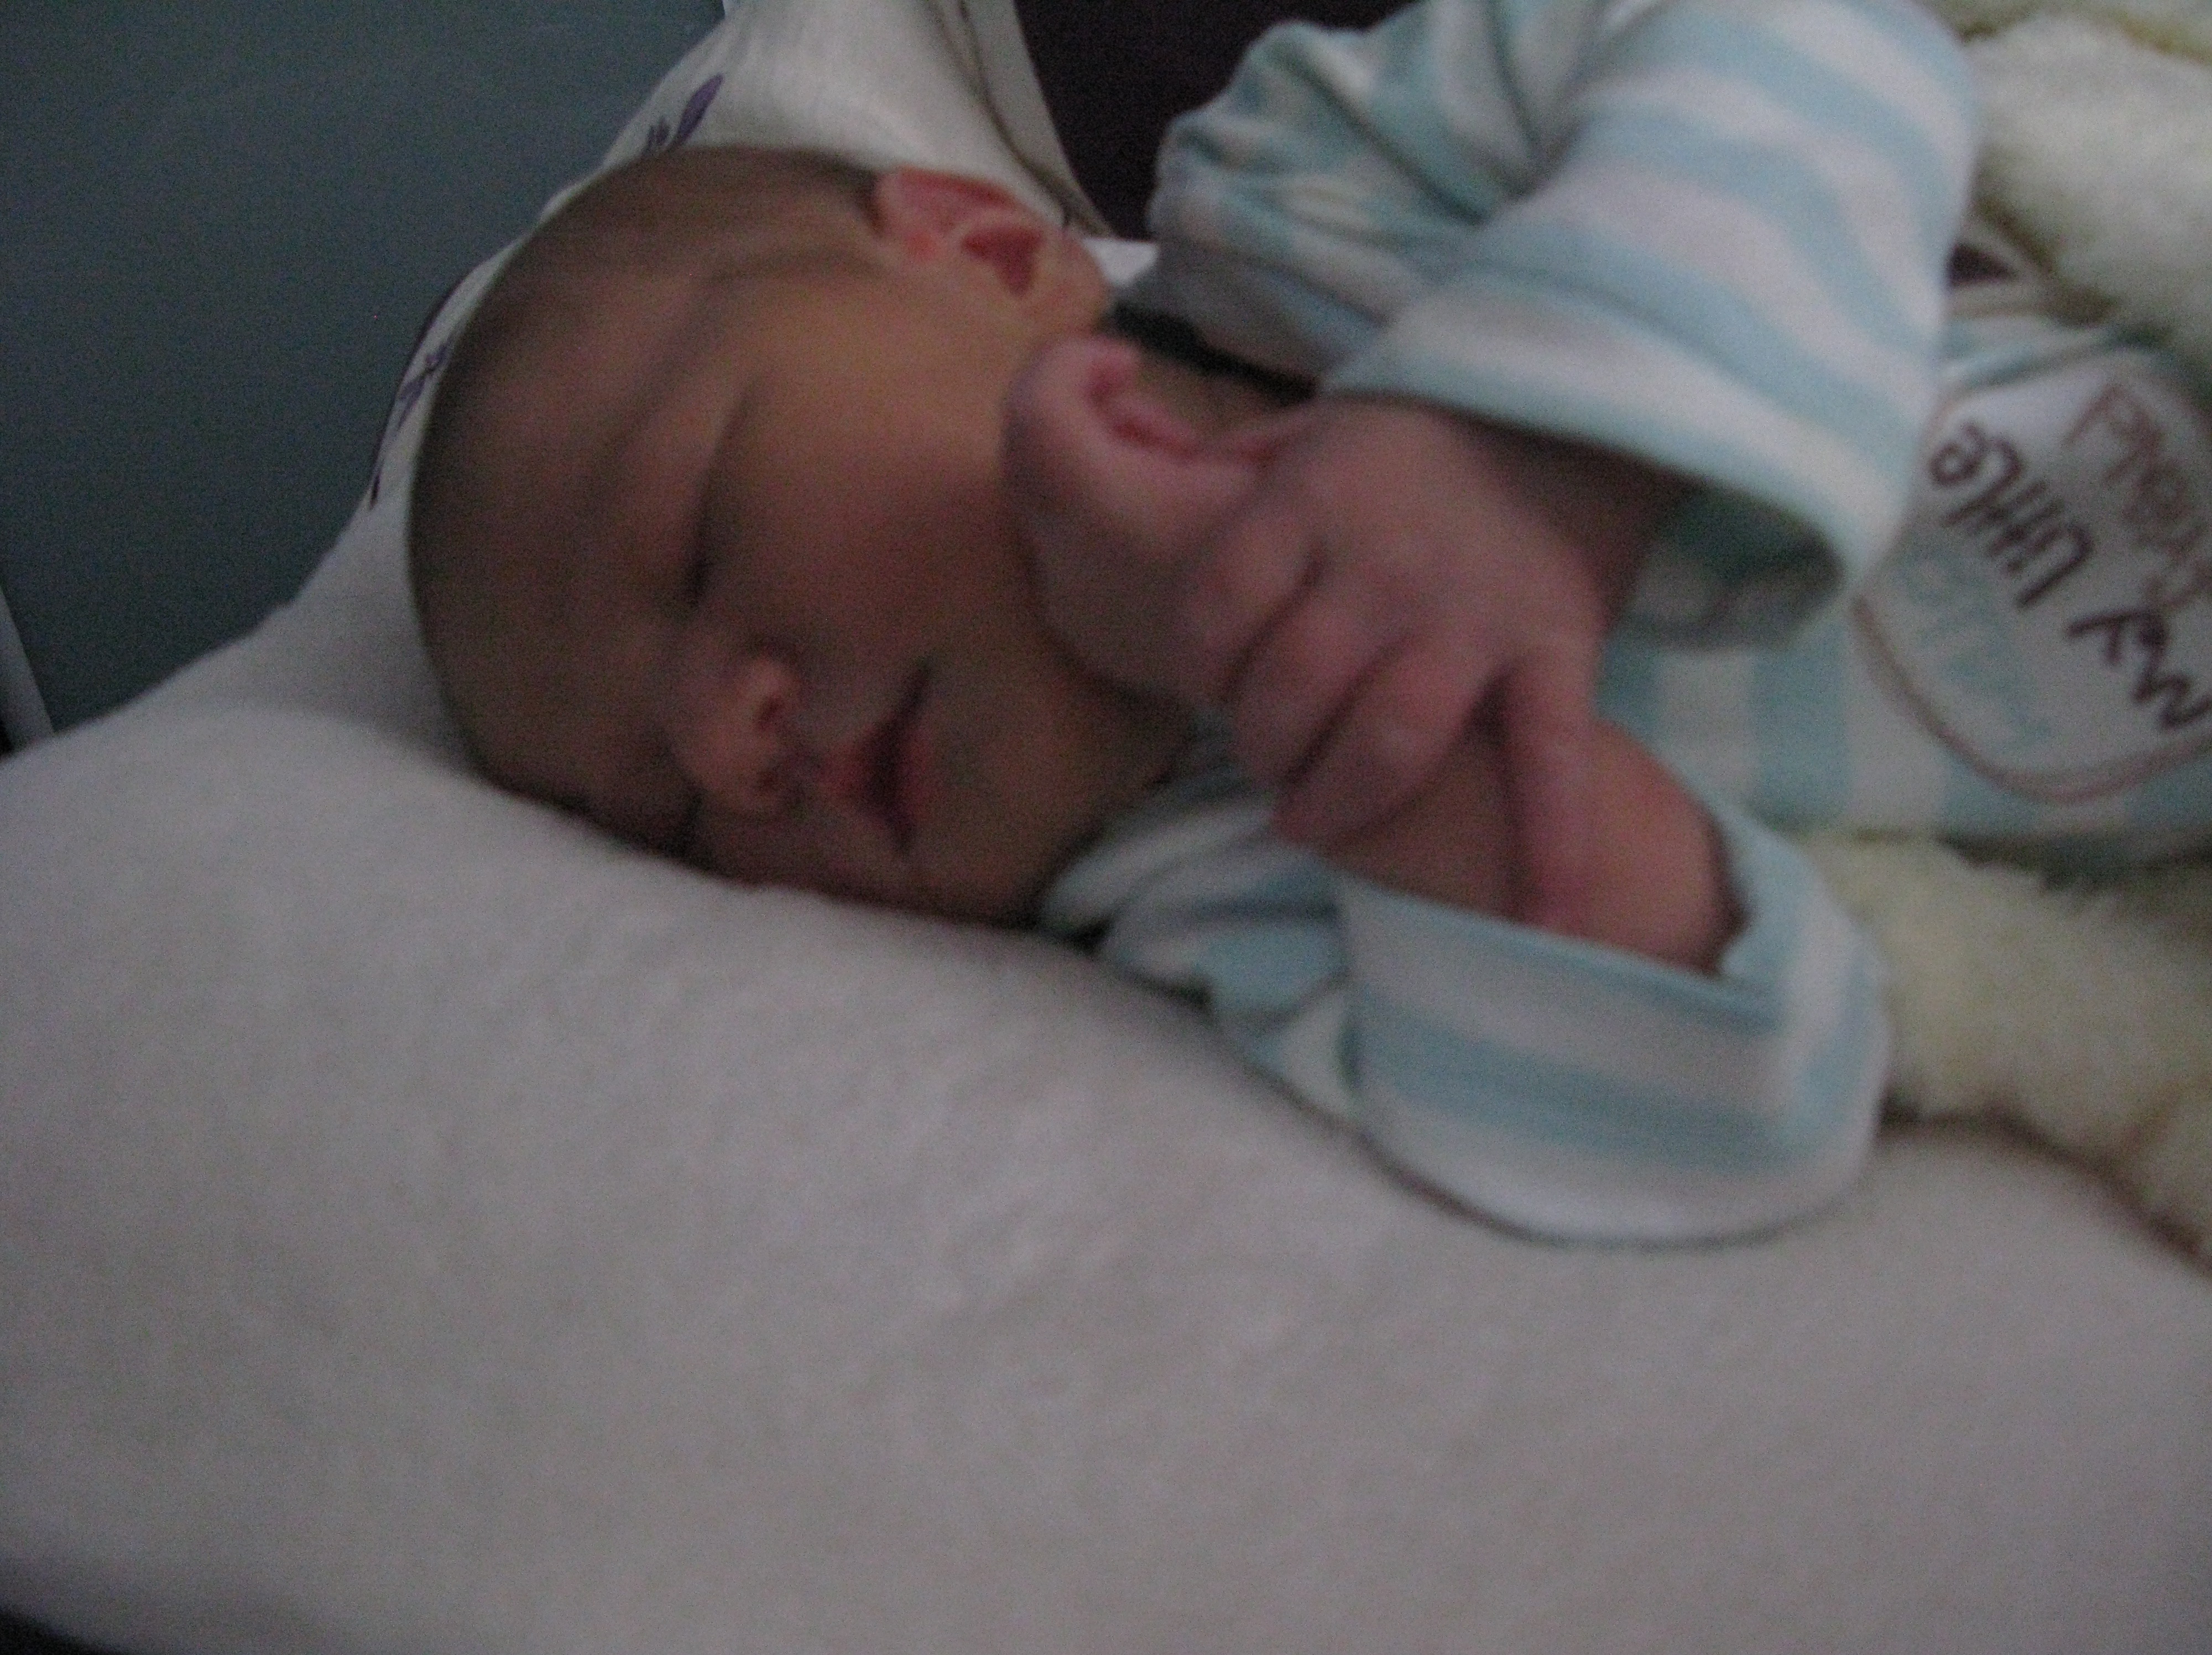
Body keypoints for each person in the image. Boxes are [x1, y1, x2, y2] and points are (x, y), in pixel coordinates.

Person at [410, 0, 1995, 1242]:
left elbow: (1834, 51)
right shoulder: (1192, 900)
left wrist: (1535, 470)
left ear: (991, 253)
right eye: (669, 815)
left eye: (698, 542)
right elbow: (1730, 1093)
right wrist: (1265, 648)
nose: (726, 745)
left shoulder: (1323, 196)